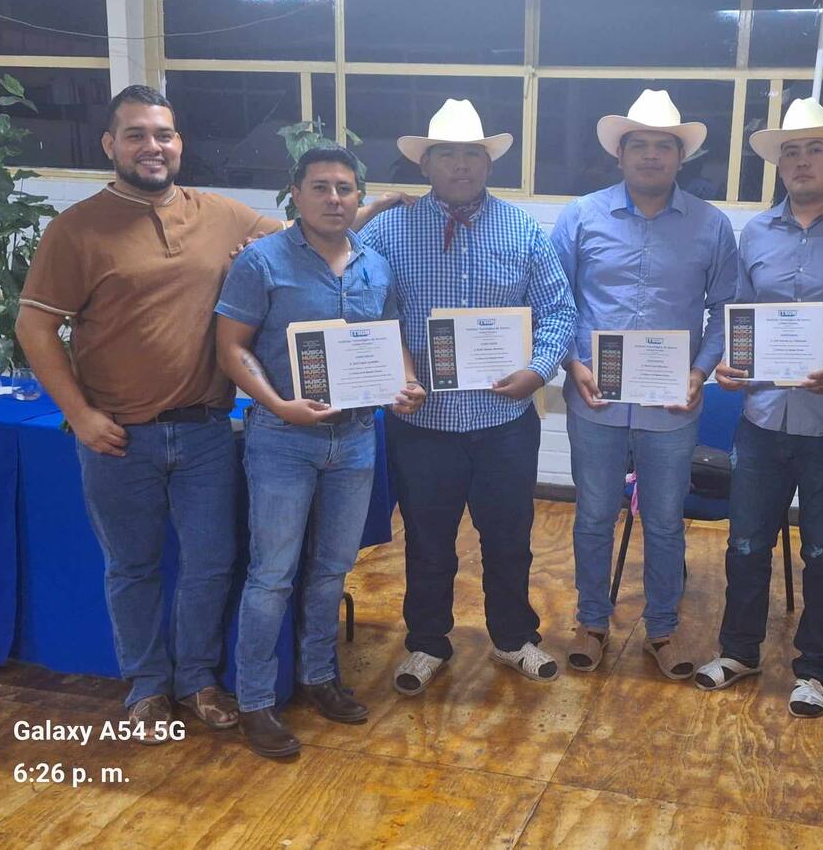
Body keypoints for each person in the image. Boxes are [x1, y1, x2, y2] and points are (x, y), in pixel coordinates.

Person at [14, 85, 288, 742]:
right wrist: (78, 415)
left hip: (205, 432)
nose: (151, 146)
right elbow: (34, 328)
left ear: (179, 143)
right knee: (132, 567)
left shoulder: (221, 215)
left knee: (211, 563)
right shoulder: (76, 229)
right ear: (110, 145)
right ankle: (145, 686)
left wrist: (386, 209)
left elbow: (311, 239)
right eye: (135, 134)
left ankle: (196, 679)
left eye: (162, 133)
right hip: (117, 438)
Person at [358, 99, 576, 695]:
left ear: (487, 163)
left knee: (508, 538)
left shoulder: (523, 230)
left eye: (472, 155)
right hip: (423, 422)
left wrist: (536, 371)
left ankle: (512, 639)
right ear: (426, 164)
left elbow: (559, 312)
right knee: (428, 542)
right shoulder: (387, 231)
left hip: (504, 420)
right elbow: (370, 311)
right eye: (448, 155)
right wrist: (391, 378)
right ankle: (427, 643)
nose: (461, 166)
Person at [214, 146, 424, 758]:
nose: (335, 198)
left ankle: (317, 678)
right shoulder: (261, 262)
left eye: (345, 188)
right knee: (272, 575)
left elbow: (391, 344)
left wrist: (404, 384)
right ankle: (254, 700)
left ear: (360, 196)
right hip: (282, 439)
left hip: (357, 438)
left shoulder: (376, 267)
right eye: (321, 187)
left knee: (333, 569)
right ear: (296, 194)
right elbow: (232, 349)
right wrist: (279, 405)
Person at [694, 99, 823, 719]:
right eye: (791, 151)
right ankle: (739, 652)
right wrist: (730, 362)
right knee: (747, 545)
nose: (802, 161)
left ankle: (814, 669)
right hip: (761, 418)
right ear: (778, 164)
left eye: (814, 149)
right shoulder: (754, 232)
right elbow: (736, 314)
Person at [552, 89, 738, 679]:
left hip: (671, 406)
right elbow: (554, 303)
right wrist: (571, 365)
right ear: (620, 154)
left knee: (663, 520)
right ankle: (592, 620)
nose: (651, 156)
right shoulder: (581, 216)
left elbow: (725, 310)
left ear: (679, 158)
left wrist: (698, 371)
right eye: (640, 146)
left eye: (664, 146)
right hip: (595, 400)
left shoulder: (711, 226)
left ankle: (663, 629)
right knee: (593, 516)